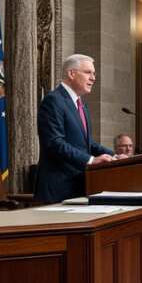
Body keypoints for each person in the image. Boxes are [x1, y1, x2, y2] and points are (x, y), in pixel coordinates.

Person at [35, 54, 115, 204]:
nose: (93, 78)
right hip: (58, 188)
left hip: (78, 186)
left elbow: (88, 144)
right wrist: (91, 160)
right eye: (88, 72)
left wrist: (114, 156)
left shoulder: (82, 105)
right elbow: (54, 143)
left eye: (94, 73)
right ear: (71, 74)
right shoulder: (53, 100)